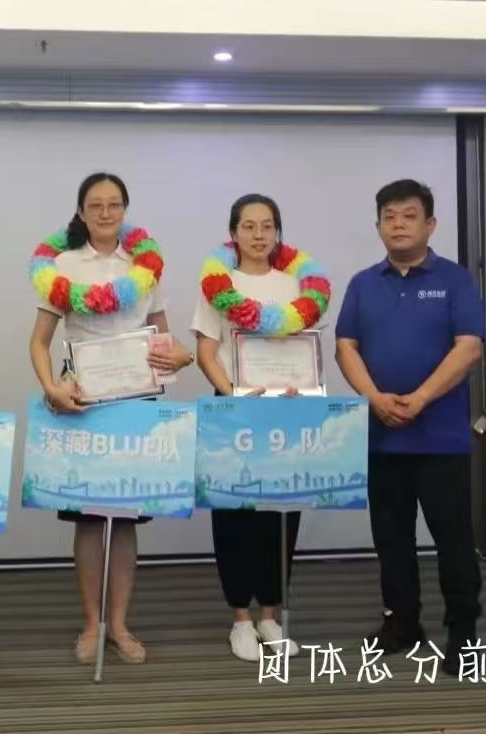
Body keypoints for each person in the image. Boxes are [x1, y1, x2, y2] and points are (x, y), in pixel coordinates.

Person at [27, 172, 194, 666]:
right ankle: (90, 624)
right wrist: (51, 387)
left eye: (114, 204)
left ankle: (119, 624)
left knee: (123, 521)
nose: (105, 212)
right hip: (82, 403)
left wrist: (181, 357)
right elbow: (39, 341)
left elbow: (162, 339)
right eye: (95, 205)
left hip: (135, 405)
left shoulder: (146, 267)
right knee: (87, 521)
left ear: (125, 210)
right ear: (81, 212)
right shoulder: (63, 265)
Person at [334, 179, 485, 675]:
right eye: (389, 216)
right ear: (378, 226)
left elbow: (469, 347)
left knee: (453, 540)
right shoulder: (363, 283)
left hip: (440, 439)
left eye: (409, 215)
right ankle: (402, 623)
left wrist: (419, 398)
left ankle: (463, 633)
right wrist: (374, 399)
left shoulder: (455, 280)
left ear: (430, 224)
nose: (398, 224)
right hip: (382, 437)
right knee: (391, 540)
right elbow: (345, 347)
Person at [192, 193, 331, 663]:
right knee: (233, 515)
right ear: (233, 233)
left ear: (277, 232)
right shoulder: (218, 284)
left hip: (285, 411)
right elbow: (206, 352)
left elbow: (306, 351)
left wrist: (300, 387)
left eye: (267, 225)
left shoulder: (297, 285)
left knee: (280, 513)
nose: (258, 234)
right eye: (248, 226)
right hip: (234, 409)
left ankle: (271, 615)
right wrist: (232, 392)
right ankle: (240, 620)